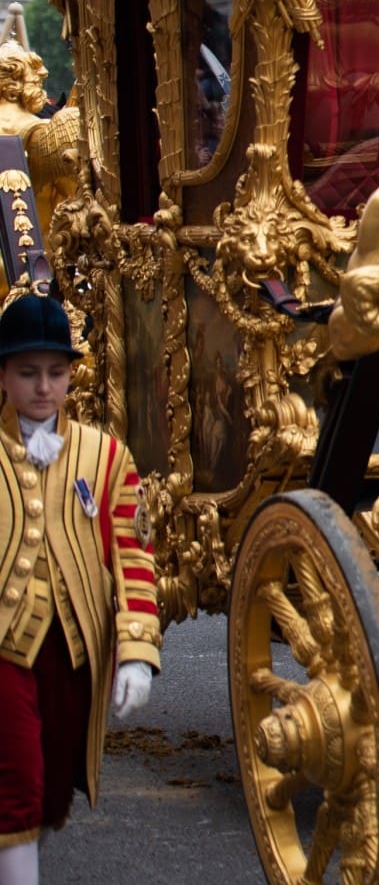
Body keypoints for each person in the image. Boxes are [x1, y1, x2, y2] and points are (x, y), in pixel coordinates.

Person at [0, 295, 159, 885]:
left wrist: (137, 654)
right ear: (3, 375)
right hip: (4, 649)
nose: (43, 387)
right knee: (17, 784)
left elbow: (134, 559)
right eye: (27, 372)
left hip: (74, 652)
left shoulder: (109, 456)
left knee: (50, 793)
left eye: (56, 372)